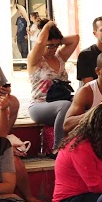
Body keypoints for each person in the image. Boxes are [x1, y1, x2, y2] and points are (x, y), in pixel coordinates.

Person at [0, 65, 40, 202]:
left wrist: (4, 109)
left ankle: (29, 196)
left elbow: (2, 134)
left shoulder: (5, 102)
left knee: (16, 163)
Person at [53, 105, 102, 202]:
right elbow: (96, 186)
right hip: (71, 200)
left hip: (91, 194)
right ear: (100, 126)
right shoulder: (81, 146)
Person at [28, 19, 79, 150]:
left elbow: (75, 38)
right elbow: (39, 43)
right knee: (65, 105)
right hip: (40, 105)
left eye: (56, 45)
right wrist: (48, 25)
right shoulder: (35, 60)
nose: (53, 49)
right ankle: (58, 148)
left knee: (80, 101)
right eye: (49, 45)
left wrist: (57, 39)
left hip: (61, 101)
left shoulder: (60, 56)